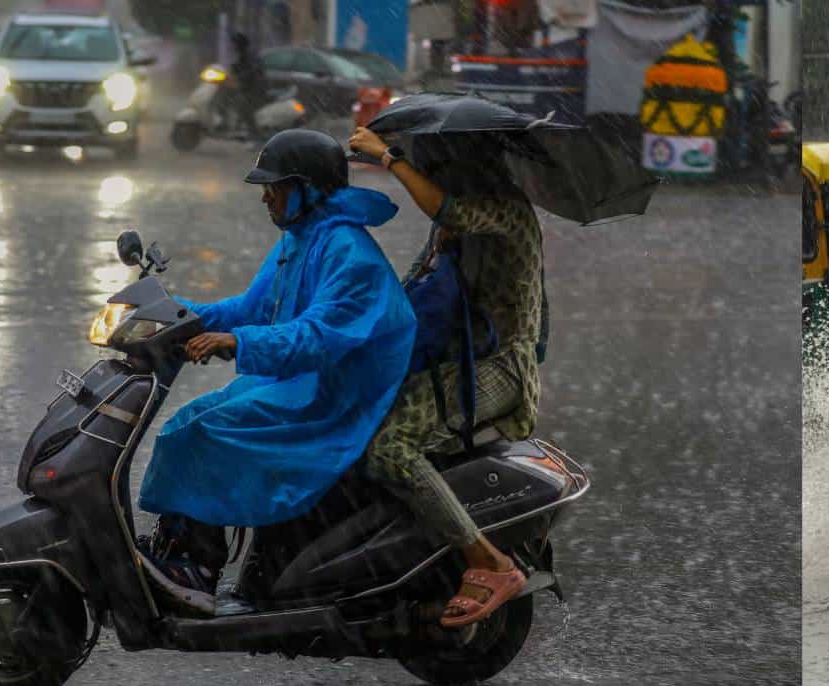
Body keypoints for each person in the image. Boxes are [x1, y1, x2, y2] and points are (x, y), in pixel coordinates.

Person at [136, 129, 417, 613]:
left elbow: (316, 336)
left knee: (207, 432)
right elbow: (251, 307)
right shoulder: (301, 238)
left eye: (276, 187)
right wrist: (173, 313)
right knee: (186, 422)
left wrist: (237, 342)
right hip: (299, 383)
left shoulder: (351, 254)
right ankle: (179, 548)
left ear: (308, 189)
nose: (266, 196)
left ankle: (198, 566)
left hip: (336, 399)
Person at [348, 125, 542, 629]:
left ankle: (489, 562)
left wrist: (389, 158)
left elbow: (449, 210)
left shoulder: (505, 210)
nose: (435, 167)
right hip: (453, 360)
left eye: (440, 159)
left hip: (499, 368)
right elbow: (416, 284)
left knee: (391, 448)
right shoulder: (456, 221)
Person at [230, 32, 267, 141]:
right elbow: (238, 68)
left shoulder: (250, 55)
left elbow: (252, 70)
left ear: (240, 44)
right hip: (248, 87)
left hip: (256, 88)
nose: (233, 46)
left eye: (235, 44)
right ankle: (235, 126)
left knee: (244, 106)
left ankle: (255, 135)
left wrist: (242, 76)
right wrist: (234, 70)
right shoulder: (242, 55)